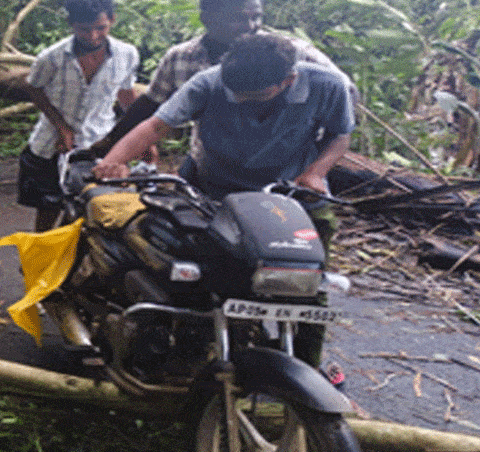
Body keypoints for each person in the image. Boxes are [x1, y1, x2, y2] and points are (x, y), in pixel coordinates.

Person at [94, 33, 354, 371]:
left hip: (289, 193)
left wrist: (316, 173)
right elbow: (157, 125)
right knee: (204, 275)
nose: (243, 101)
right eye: (236, 95)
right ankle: (195, 357)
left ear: (288, 81)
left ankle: (306, 369)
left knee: (305, 283)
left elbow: (340, 134)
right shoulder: (209, 83)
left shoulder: (328, 85)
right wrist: (113, 161)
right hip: (215, 189)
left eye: (254, 96)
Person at [89, 0, 354, 160]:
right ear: (208, 19)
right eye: (238, 18)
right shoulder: (181, 59)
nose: (251, 26)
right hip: (212, 165)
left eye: (256, 16)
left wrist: (311, 148)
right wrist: (108, 146)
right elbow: (151, 106)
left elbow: (344, 93)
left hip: (285, 171)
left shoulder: (294, 53)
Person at [19, 0, 139, 231]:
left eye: (101, 28)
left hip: (99, 143)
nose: (93, 36)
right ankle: (40, 260)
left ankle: (67, 260)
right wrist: (61, 126)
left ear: (112, 20)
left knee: (86, 208)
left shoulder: (127, 54)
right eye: (85, 30)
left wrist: (143, 137)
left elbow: (127, 95)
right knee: (48, 208)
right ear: (71, 24)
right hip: (50, 145)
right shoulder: (51, 57)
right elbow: (33, 87)